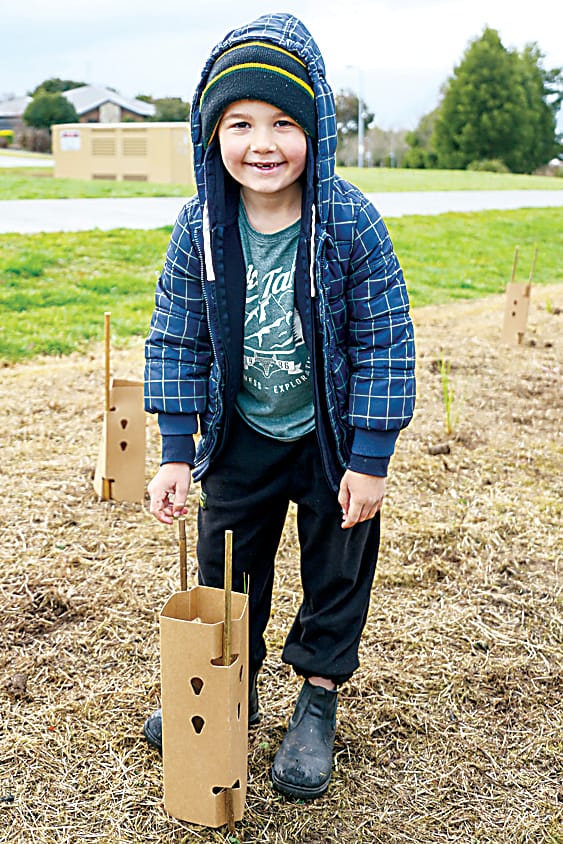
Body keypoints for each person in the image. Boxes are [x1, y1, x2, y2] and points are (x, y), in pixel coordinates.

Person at [143, 12, 415, 801]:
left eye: (284, 122)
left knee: (336, 570)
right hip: (242, 436)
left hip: (328, 440)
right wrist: (171, 446)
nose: (262, 143)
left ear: (317, 130)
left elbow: (386, 341)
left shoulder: (347, 222)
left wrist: (369, 458)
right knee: (230, 571)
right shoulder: (199, 228)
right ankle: (232, 681)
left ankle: (318, 698)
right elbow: (175, 337)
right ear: (210, 134)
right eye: (240, 124)